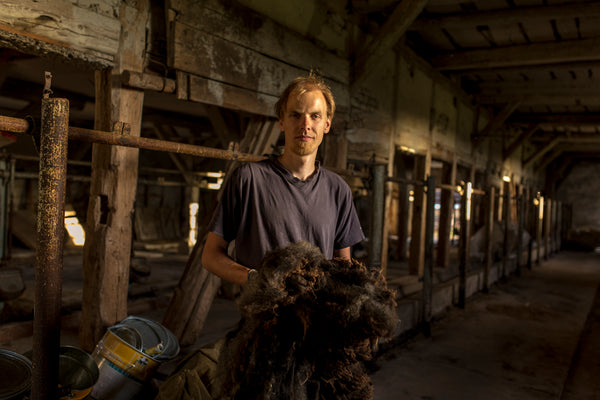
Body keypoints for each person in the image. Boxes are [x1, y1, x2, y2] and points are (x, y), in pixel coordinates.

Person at [201, 71, 364, 285]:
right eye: (295, 115)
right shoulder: (249, 180)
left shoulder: (338, 190)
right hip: (262, 314)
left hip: (316, 316)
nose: (305, 124)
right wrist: (255, 279)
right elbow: (210, 256)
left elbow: (343, 269)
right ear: (281, 122)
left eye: (315, 116)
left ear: (327, 124)